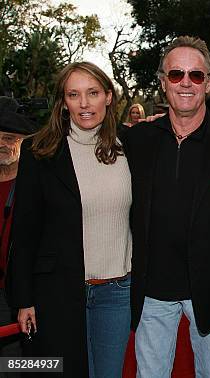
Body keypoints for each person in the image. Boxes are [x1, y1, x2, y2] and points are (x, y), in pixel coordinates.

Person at [122, 35, 210, 378]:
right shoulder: (136, 141)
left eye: (196, 75)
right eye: (176, 75)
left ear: (209, 83)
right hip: (152, 290)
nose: (186, 83)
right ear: (162, 82)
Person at [7, 61, 132, 377]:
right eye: (74, 95)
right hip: (58, 292)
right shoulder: (39, 150)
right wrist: (23, 300)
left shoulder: (132, 145)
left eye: (92, 93)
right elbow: (24, 233)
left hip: (116, 292)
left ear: (108, 96)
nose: (85, 103)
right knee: (60, 372)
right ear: (63, 102)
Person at [0, 97, 38, 377]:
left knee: (15, 365)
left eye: (11, 138)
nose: (3, 144)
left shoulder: (36, 184)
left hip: (18, 296)